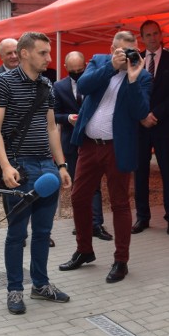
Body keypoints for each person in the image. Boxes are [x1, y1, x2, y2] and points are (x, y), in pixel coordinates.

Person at [0, 32, 72, 315]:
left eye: (49, 52)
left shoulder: (46, 84)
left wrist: (61, 165)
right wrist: (6, 166)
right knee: (17, 232)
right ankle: (14, 289)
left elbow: (51, 128)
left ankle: (40, 284)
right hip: (19, 166)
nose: (49, 58)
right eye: (43, 53)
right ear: (24, 53)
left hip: (46, 167)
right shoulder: (2, 83)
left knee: (43, 231)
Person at [59, 31, 151, 283]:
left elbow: (141, 111)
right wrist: (111, 67)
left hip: (117, 148)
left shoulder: (142, 76)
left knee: (120, 203)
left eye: (130, 51)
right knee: (79, 198)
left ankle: (121, 260)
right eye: (121, 51)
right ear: (112, 49)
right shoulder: (100, 61)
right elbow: (84, 87)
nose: (125, 56)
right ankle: (84, 250)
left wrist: (131, 79)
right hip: (89, 145)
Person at [132, 20, 169, 236]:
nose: (152, 38)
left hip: (164, 126)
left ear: (161, 35)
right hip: (140, 127)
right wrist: (142, 115)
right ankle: (142, 217)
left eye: (155, 34)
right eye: (148, 35)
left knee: (168, 173)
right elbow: (130, 93)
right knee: (140, 173)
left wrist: (155, 114)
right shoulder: (134, 62)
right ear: (141, 38)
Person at [54, 51, 113, 241]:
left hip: (92, 140)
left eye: (80, 71)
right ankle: (81, 224)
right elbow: (54, 114)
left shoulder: (95, 81)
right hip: (71, 141)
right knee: (77, 185)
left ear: (86, 66)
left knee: (94, 184)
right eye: (73, 72)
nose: (77, 75)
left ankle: (96, 224)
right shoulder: (59, 86)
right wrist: (67, 118)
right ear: (66, 68)